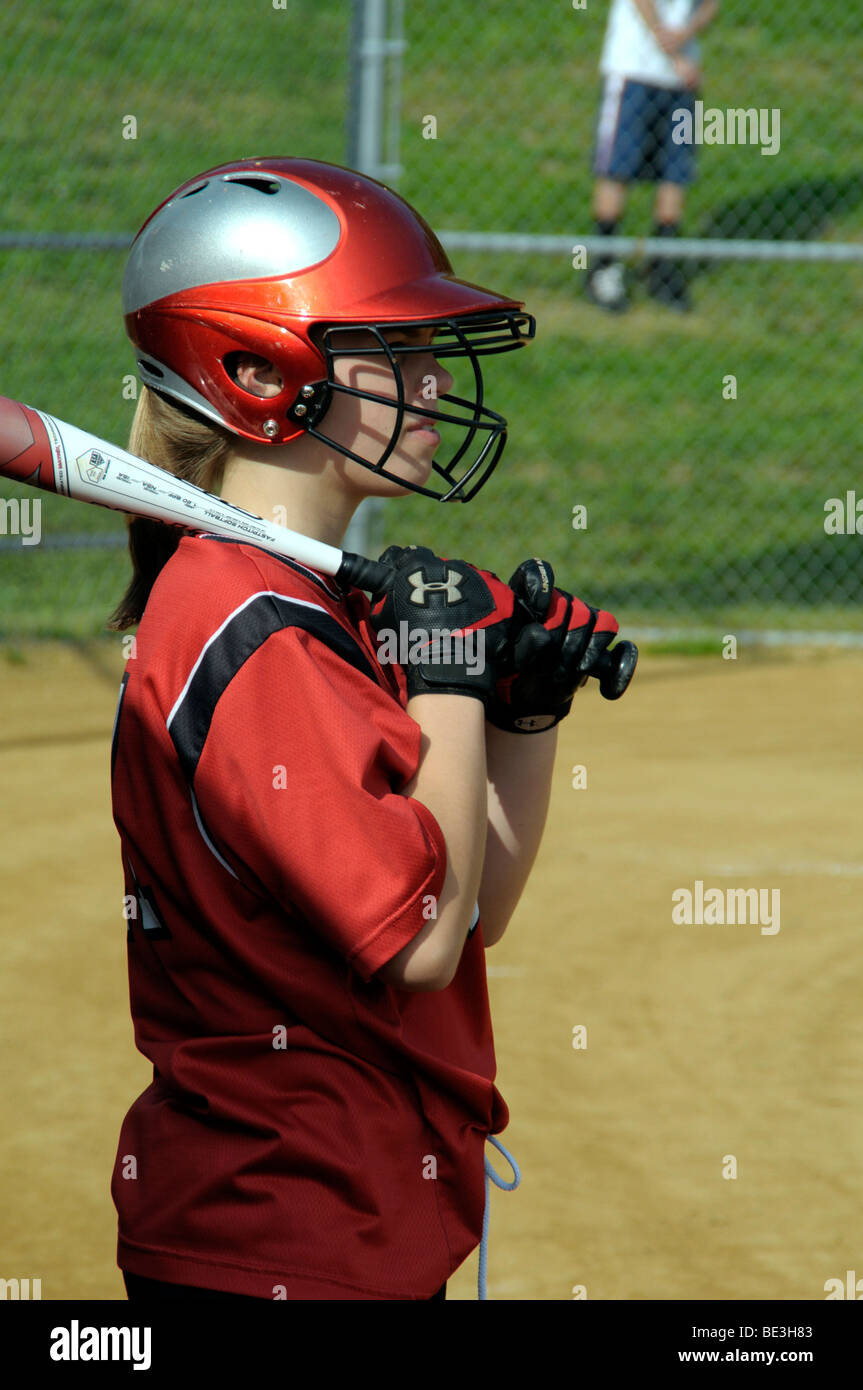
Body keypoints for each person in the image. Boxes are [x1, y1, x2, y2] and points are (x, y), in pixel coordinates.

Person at [107, 156, 623, 1301]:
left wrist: (516, 706)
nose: (434, 382)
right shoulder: (246, 626)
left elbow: (467, 904)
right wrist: (445, 670)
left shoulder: (308, 604)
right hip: (277, 1234)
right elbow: (420, 937)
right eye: (396, 353)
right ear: (257, 370)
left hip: (357, 1216)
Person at [586, 0, 721, 312]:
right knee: (616, 171)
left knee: (676, 173)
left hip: (681, 80)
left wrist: (688, 33)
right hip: (633, 70)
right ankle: (603, 268)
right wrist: (673, 50)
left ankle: (661, 269)